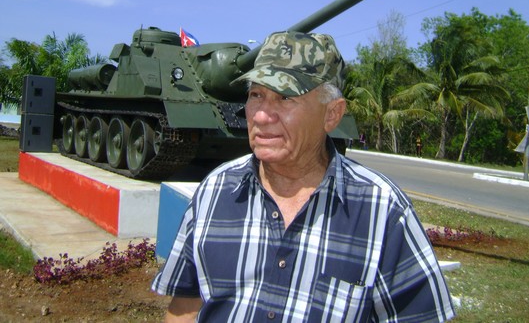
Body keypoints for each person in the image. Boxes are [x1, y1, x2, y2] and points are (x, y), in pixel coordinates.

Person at [152, 31, 455, 322]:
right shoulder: (215, 190)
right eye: (256, 94)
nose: (261, 116)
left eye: (285, 97)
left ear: (332, 114)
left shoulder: (382, 209)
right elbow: (185, 310)